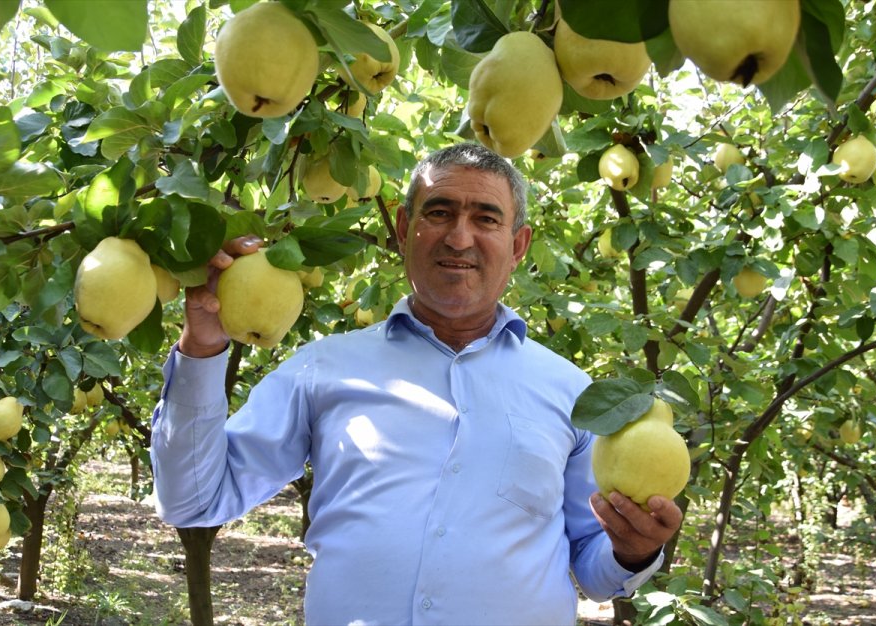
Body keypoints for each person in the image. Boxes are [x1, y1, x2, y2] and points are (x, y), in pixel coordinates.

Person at [151, 142, 682, 625]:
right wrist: (202, 348)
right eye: (439, 212)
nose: (459, 237)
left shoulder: (572, 392)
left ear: (518, 245)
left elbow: (593, 565)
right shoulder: (324, 368)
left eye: (486, 218)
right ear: (404, 228)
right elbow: (193, 500)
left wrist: (633, 549)